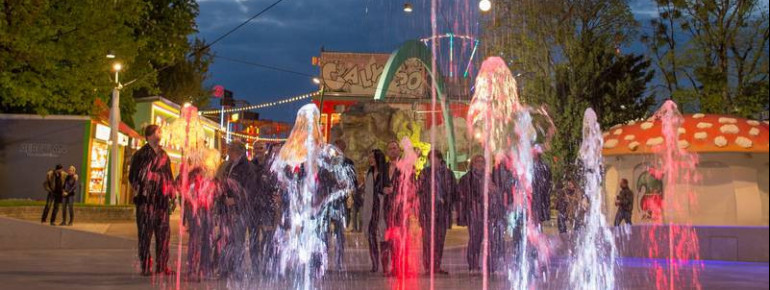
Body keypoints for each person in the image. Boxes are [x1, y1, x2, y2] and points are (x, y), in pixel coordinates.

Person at [128, 124, 175, 276]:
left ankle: (162, 265)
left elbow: (169, 175)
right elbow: (133, 177)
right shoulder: (140, 154)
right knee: (145, 236)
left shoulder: (164, 154)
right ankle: (146, 266)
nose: (160, 134)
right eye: (157, 131)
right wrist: (146, 183)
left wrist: (172, 193)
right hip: (146, 202)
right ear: (149, 136)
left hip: (161, 202)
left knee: (163, 235)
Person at [217, 140, 256, 279]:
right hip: (226, 210)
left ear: (238, 152)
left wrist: (235, 200)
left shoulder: (247, 168)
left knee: (237, 240)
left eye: (230, 150)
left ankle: (237, 270)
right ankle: (225, 268)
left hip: (239, 211)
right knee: (225, 239)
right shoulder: (228, 166)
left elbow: (250, 190)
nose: (228, 152)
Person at [417, 150, 455, 275]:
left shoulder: (448, 174)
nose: (431, 162)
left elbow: (453, 191)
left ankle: (437, 266)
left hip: (442, 210)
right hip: (428, 210)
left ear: (440, 159)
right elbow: (419, 190)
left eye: (434, 159)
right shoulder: (425, 173)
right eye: (430, 159)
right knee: (427, 239)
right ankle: (428, 266)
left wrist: (447, 201)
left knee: (439, 239)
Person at [362, 149, 388, 273]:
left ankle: (385, 265)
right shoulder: (369, 173)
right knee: (371, 237)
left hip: (382, 207)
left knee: (383, 238)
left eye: (372, 157)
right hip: (372, 208)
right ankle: (375, 264)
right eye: (369, 157)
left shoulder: (384, 172)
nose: (370, 159)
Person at [459, 155, 486, 272]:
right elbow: (462, 196)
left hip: (484, 212)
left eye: (482, 161)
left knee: (480, 238)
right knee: (474, 237)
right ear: (473, 163)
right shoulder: (467, 178)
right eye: (477, 161)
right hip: (472, 211)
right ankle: (472, 263)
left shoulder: (487, 177)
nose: (479, 163)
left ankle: (476, 261)